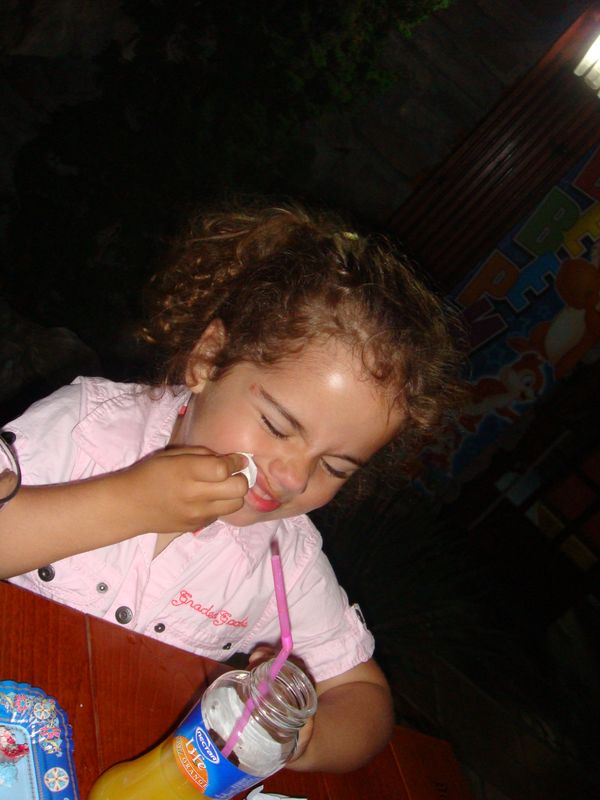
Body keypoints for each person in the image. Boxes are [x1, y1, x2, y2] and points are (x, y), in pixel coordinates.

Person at [0, 201, 464, 773]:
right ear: (208, 359)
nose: (293, 477)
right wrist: (129, 503)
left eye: (335, 466)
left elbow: (365, 700)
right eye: (278, 426)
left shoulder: (283, 557)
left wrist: (296, 737)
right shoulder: (88, 427)